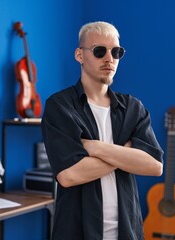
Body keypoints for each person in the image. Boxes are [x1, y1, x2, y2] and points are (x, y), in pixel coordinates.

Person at [41, 21, 164, 240]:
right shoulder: (60, 106)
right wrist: (125, 154)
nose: (109, 59)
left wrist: (95, 147)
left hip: (128, 233)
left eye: (116, 52)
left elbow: (154, 166)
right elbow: (69, 175)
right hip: (76, 233)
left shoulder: (133, 108)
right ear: (80, 55)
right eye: (99, 51)